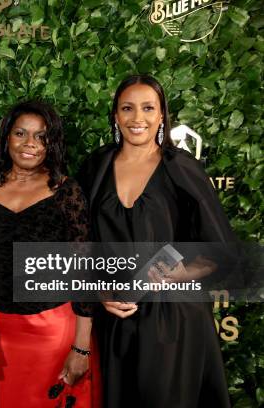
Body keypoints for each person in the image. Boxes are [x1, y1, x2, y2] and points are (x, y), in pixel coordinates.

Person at [77, 74, 235, 408]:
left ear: (162, 115)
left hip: (173, 319)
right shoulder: (95, 167)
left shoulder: (181, 167)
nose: (138, 118)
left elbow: (219, 250)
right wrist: (100, 293)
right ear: (115, 115)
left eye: (148, 108)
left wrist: (177, 275)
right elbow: (82, 243)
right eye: (127, 108)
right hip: (117, 318)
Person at [0, 101, 101, 408]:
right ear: (6, 138)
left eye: (41, 136)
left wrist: (81, 348)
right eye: (21, 133)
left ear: (52, 144)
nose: (30, 143)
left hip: (53, 335)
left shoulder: (66, 192)